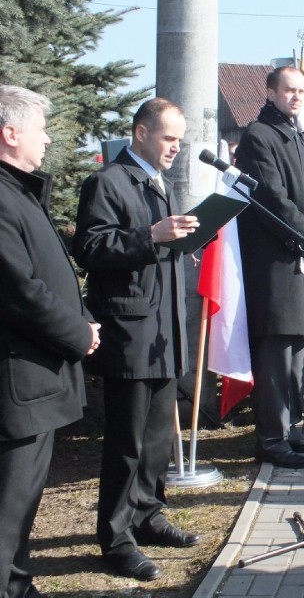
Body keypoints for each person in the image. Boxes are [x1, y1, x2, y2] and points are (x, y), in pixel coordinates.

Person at [73, 98, 201, 581]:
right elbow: (91, 247)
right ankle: (117, 536)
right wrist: (152, 237)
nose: (176, 148)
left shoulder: (157, 182)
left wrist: (182, 243)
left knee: (156, 439)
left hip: (163, 332)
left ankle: (148, 515)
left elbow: (154, 246)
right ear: (141, 132)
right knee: (125, 442)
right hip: (130, 331)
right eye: (169, 138)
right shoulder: (108, 181)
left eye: (180, 140)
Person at [0, 85, 99, 598]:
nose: (48, 139)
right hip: (18, 386)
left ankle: (18, 583)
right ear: (9, 133)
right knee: (7, 511)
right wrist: (77, 332)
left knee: (20, 512)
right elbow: (20, 291)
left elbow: (54, 271)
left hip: (36, 380)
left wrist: (82, 318)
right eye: (40, 129)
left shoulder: (19, 189)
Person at [235, 66, 304, 469]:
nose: (296, 97)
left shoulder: (296, 136)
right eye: (288, 90)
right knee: (277, 354)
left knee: (297, 352)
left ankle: (291, 429)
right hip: (275, 264)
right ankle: (272, 439)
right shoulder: (259, 136)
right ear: (270, 92)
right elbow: (272, 199)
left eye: (301, 91)